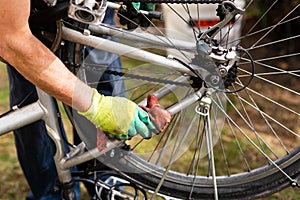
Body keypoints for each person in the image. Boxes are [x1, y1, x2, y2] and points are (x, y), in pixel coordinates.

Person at [0, 0, 155, 199]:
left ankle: (107, 183)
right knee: (31, 92)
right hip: (29, 14)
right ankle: (51, 191)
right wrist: (99, 107)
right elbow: (13, 40)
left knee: (99, 64)